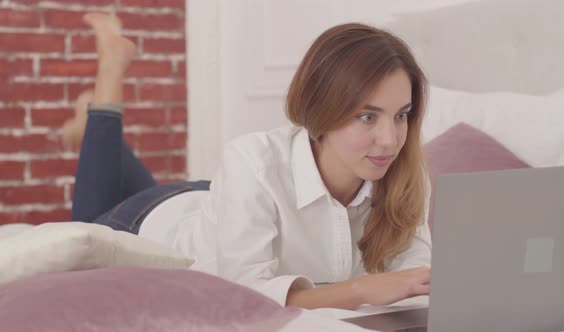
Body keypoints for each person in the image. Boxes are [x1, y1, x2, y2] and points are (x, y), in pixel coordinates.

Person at [64, 12, 432, 310]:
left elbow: (413, 281)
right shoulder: (251, 160)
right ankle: (109, 75)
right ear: (323, 111)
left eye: (401, 115)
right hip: (153, 220)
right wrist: (360, 290)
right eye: (368, 117)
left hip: (218, 200)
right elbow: (247, 296)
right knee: (77, 240)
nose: (390, 140)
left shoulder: (406, 177)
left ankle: (91, 125)